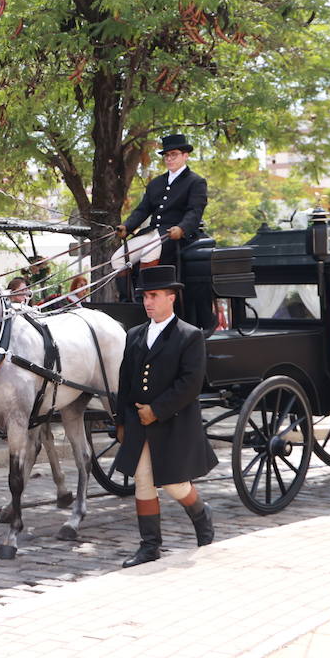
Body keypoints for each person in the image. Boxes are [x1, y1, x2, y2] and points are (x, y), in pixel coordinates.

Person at [114, 265, 217, 567]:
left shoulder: (189, 335)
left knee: (173, 485)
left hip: (173, 423)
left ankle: (201, 513)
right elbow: (125, 380)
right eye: (145, 296)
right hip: (138, 423)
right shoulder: (134, 335)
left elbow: (190, 383)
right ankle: (150, 547)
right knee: (143, 481)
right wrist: (120, 421)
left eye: (155, 295)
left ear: (171, 297)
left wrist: (156, 410)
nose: (148, 302)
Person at [115, 133, 208, 281]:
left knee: (148, 253)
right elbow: (143, 209)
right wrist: (127, 226)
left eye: (174, 155)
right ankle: (127, 300)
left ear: (185, 156)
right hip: (153, 232)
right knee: (118, 258)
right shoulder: (156, 183)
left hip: (175, 235)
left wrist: (182, 228)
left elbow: (194, 211)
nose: (169, 159)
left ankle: (145, 295)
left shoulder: (196, 182)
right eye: (167, 155)